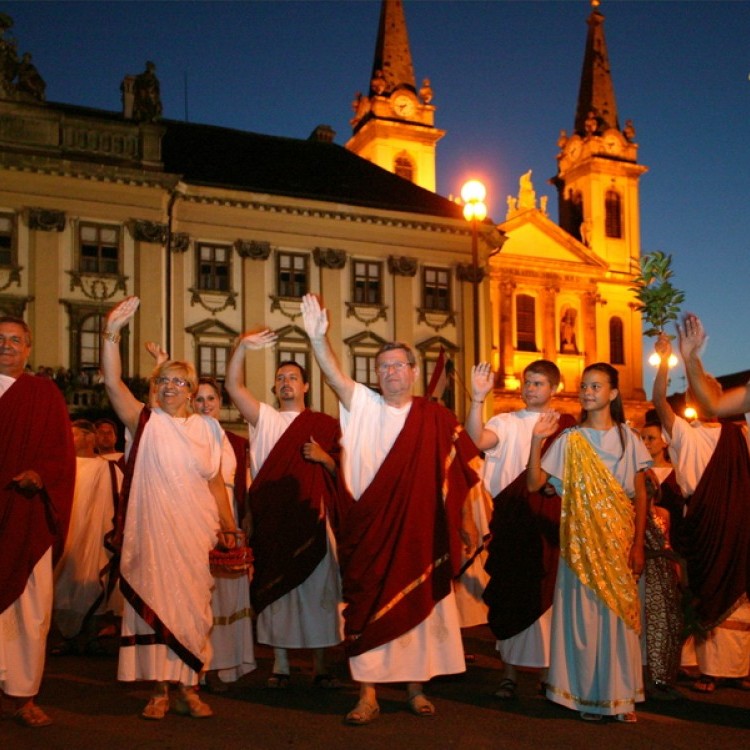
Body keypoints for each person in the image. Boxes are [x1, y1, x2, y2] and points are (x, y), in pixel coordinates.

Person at [301, 293, 479, 724]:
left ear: (414, 373)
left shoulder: (433, 417)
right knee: (367, 607)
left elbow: (463, 468)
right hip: (370, 529)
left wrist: (465, 520)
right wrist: (317, 339)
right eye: (384, 367)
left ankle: (416, 688)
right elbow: (334, 377)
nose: (391, 372)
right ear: (376, 375)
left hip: (420, 529)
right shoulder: (363, 405)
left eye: (399, 365)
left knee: (418, 609)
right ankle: (367, 694)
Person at [101, 296, 236, 720]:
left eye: (179, 382)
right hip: (154, 534)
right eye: (164, 381)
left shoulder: (208, 428)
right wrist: (111, 334)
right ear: (155, 388)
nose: (171, 387)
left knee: (194, 608)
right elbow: (111, 384)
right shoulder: (145, 422)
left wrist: (229, 525)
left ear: (193, 392)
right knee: (156, 603)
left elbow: (214, 480)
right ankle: (159, 688)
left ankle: (189, 687)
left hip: (194, 534)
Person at [527, 363, 649, 723]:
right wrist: (537, 440)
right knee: (584, 623)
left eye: (596, 386)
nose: (587, 392)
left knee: (619, 622)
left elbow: (640, 496)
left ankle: (620, 698)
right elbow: (535, 484)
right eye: (584, 386)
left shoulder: (630, 438)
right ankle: (586, 697)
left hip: (618, 543)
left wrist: (638, 544)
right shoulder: (571, 440)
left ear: (612, 394)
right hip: (580, 546)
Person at [225, 331, 343, 689]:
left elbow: (347, 472)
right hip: (274, 522)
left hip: (313, 521)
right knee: (279, 594)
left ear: (306, 385)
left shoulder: (325, 425)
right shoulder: (265, 419)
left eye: (292, 377)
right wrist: (242, 346)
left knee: (317, 592)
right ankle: (280, 664)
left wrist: (324, 458)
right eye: (280, 379)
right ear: (275, 389)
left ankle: (320, 666)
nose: (285, 383)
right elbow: (233, 386)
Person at [467, 360, 574, 700]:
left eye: (538, 383)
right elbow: (477, 438)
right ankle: (509, 674)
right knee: (511, 593)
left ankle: (548, 674)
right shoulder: (506, 421)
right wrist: (476, 399)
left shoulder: (568, 426)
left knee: (549, 596)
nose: (530, 388)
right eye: (527, 382)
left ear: (553, 388)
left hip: (547, 522)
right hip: (512, 518)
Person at [653, 330, 750, 693]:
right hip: (704, 523)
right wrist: (665, 361)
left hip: (740, 523)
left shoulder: (738, 434)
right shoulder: (684, 432)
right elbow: (659, 399)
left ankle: (739, 668)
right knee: (707, 593)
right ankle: (709, 670)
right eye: (698, 391)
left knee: (741, 595)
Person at [0, 316, 76, 727]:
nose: (7, 345)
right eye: (0, 339)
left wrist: (40, 476)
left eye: (15, 340)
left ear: (28, 348)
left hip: (27, 515)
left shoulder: (44, 393)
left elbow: (61, 455)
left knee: (29, 609)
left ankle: (23, 694)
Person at [193, 377, 256, 690]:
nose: (205, 405)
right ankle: (199, 667)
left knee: (228, 596)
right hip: (200, 519)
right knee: (203, 595)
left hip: (230, 519)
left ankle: (227, 665)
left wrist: (238, 526)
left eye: (211, 399)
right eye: (199, 400)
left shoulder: (236, 441)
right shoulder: (188, 437)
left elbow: (243, 487)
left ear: (221, 402)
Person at [52, 419, 123, 656]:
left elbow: (118, 501)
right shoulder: (62, 466)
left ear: (88, 438)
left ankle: (92, 639)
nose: (68, 440)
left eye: (73, 435)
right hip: (69, 537)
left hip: (95, 536)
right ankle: (66, 639)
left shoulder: (107, 468)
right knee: (64, 585)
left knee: (92, 582)